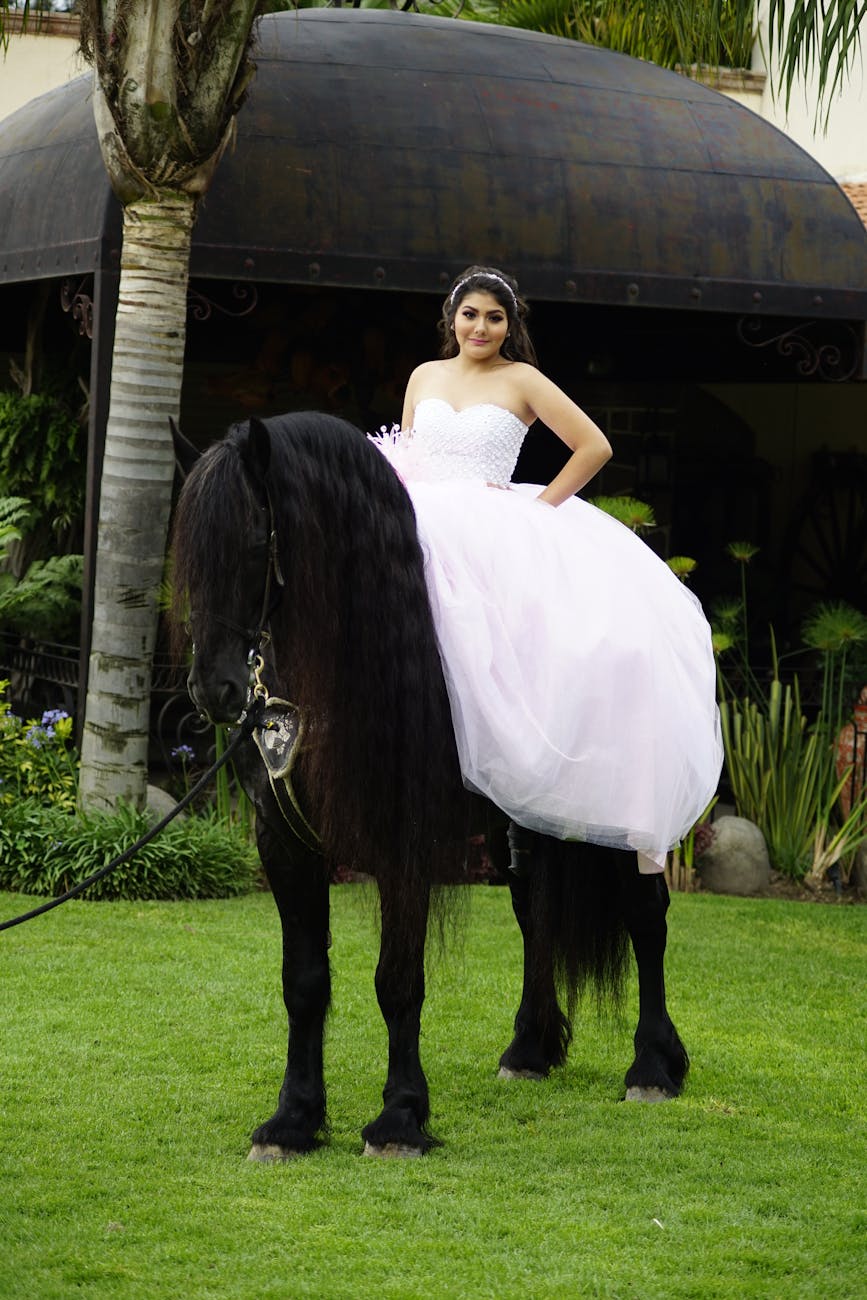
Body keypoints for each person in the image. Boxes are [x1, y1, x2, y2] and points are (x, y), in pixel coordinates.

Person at [370, 265, 723, 874]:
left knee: (550, 645)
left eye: (495, 317)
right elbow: (405, 453)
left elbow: (594, 446)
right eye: (471, 314)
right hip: (421, 523)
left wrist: (536, 508)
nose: (481, 327)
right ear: (452, 318)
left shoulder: (522, 379)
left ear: (510, 325)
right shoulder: (424, 375)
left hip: (493, 528)